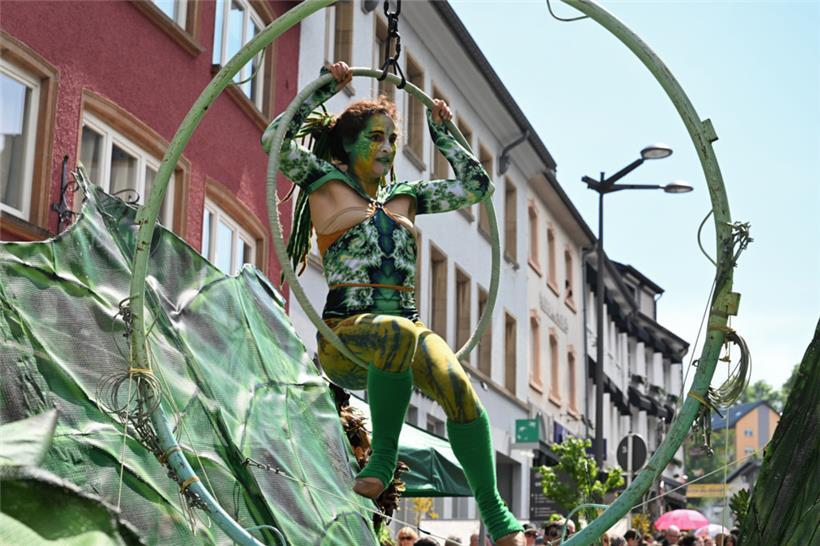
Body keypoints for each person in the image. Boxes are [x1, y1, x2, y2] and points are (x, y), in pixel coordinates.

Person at [263, 61, 523, 546]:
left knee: (457, 384)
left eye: (392, 139)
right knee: (396, 335)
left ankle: (495, 510)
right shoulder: (324, 182)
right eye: (375, 138)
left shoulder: (406, 197)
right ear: (348, 143)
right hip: (346, 335)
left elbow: (477, 188)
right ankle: (382, 458)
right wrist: (323, 89)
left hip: (405, 327)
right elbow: (273, 140)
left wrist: (445, 136)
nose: (386, 147)